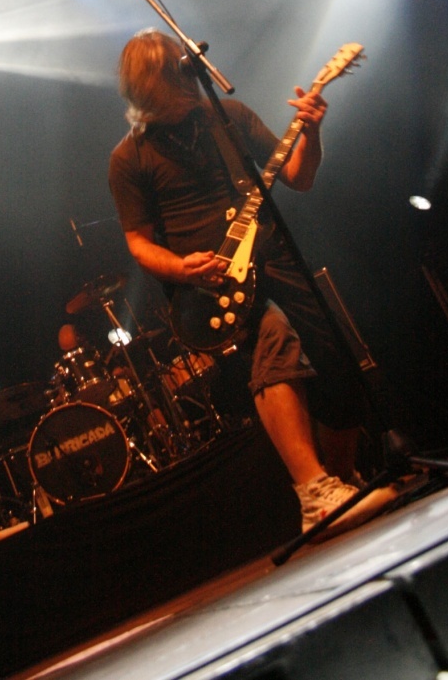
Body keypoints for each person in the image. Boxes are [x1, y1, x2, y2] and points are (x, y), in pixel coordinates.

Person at [108, 28, 399, 534]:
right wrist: (181, 268)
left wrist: (310, 130)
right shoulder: (128, 158)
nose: (179, 75)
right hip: (210, 286)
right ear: (147, 82)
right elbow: (137, 241)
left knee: (338, 361)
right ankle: (312, 491)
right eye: (168, 70)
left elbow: (299, 179)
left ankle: (342, 483)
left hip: (274, 258)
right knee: (275, 340)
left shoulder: (228, 119)